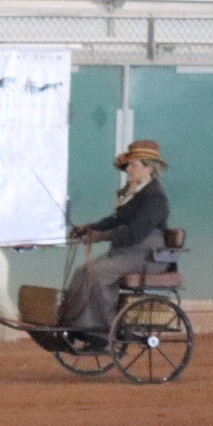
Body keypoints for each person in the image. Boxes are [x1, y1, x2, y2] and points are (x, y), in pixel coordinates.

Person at [59, 139, 171, 340]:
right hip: (127, 252)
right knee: (82, 271)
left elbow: (135, 232)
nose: (128, 169)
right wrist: (89, 228)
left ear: (148, 168)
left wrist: (101, 236)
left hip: (146, 255)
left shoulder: (155, 197)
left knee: (97, 274)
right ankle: (79, 324)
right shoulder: (134, 192)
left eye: (133, 165)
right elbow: (116, 220)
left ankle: (106, 327)